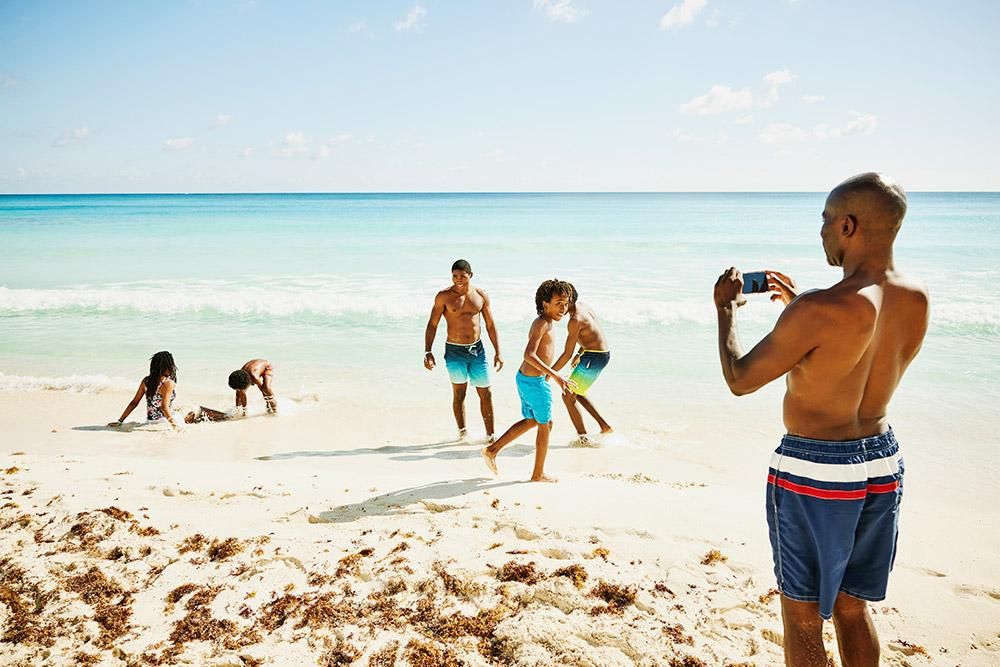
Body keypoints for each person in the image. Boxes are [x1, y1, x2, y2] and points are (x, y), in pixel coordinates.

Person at [713, 173, 928, 667]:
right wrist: (798, 314)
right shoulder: (915, 297)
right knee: (854, 607)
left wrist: (726, 311)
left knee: (802, 613)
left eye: (826, 221)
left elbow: (740, 379)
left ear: (848, 225)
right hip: (881, 459)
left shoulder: (818, 308)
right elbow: (856, 351)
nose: (823, 232)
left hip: (818, 469)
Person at [481, 279, 576, 482]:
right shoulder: (542, 323)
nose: (563, 307)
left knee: (532, 420)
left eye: (566, 303)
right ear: (545, 304)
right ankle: (538, 474)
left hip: (526, 379)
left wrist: (550, 374)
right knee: (545, 424)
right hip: (534, 382)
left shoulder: (546, 323)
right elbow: (529, 354)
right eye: (558, 302)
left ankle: (492, 450)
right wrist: (556, 376)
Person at [424, 259, 503, 442]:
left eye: (462, 276)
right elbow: (432, 324)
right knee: (460, 393)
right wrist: (428, 351)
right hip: (454, 352)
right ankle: (462, 434)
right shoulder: (443, 296)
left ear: (471, 275)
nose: (458, 279)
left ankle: (491, 436)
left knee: (486, 392)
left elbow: (490, 325)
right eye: (455, 276)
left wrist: (498, 352)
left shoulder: (480, 295)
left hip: (477, 351)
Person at [552, 282, 612, 446]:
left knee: (567, 394)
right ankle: (605, 426)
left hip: (594, 357)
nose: (560, 307)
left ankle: (583, 438)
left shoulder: (574, 320)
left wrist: (548, 373)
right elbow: (594, 330)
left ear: (570, 299)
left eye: (562, 302)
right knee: (577, 392)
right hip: (597, 353)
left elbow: (566, 354)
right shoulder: (582, 306)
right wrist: (582, 351)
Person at [108, 351, 181, 430]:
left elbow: (134, 402)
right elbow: (164, 407)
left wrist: (120, 421)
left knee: (180, 410)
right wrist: (175, 426)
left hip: (150, 421)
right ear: (169, 366)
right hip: (165, 421)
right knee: (192, 413)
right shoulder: (168, 383)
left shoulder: (146, 381)